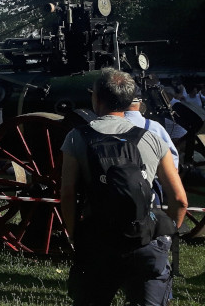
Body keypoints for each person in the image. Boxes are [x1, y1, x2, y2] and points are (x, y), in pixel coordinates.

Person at [60, 68, 188, 306]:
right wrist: (166, 236)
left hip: (98, 240)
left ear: (96, 98)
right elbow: (180, 200)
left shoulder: (76, 137)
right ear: (131, 101)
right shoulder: (153, 138)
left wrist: (74, 234)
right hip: (146, 240)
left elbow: (67, 194)